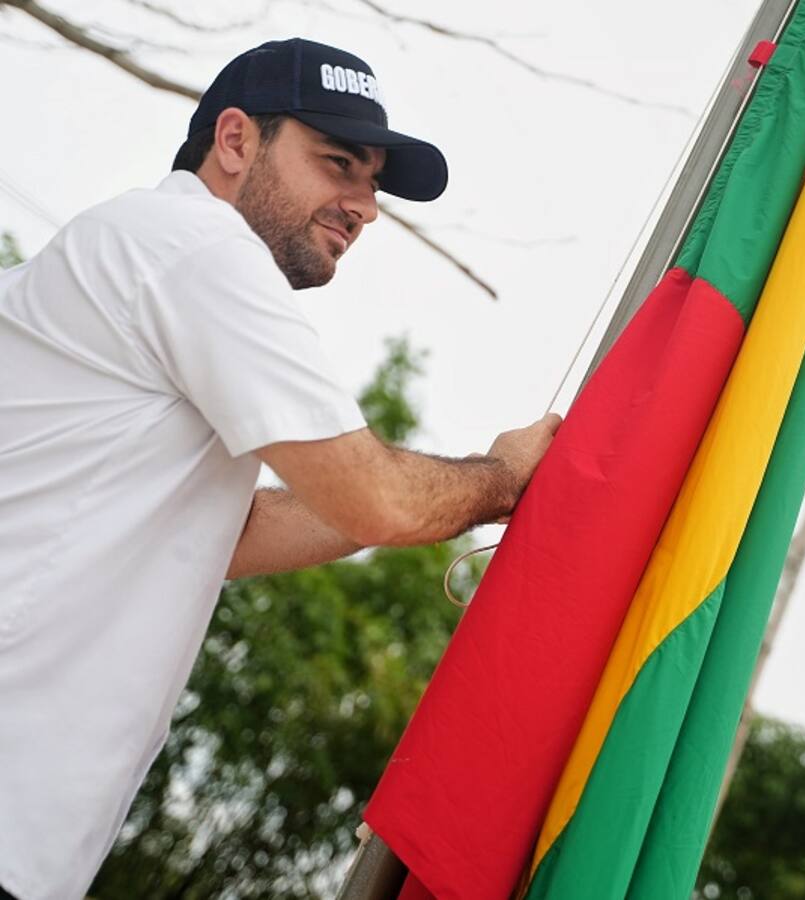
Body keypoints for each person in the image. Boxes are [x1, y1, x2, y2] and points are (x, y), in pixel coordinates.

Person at [0, 38, 560, 900]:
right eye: (338, 163)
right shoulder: (193, 244)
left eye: (372, 182)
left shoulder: (139, 253)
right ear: (234, 142)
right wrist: (504, 477)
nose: (364, 205)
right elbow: (373, 499)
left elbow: (235, 527)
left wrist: (456, 490)